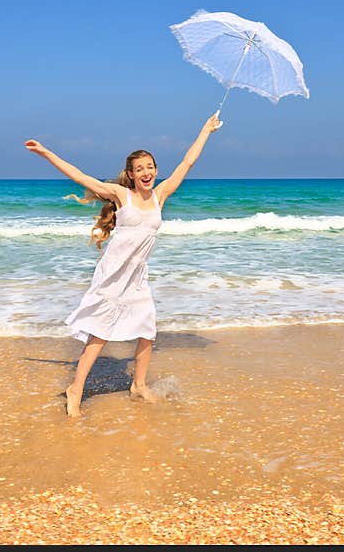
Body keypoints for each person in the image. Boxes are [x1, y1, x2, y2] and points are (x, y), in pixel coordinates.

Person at [24, 112, 223, 417]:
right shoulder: (122, 195)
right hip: (114, 274)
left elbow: (187, 163)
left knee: (148, 330)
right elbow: (81, 178)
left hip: (137, 276)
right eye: (140, 168)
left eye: (151, 167)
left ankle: (139, 386)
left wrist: (206, 130)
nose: (147, 172)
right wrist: (46, 152)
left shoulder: (160, 195)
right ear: (130, 174)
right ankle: (75, 389)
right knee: (100, 333)